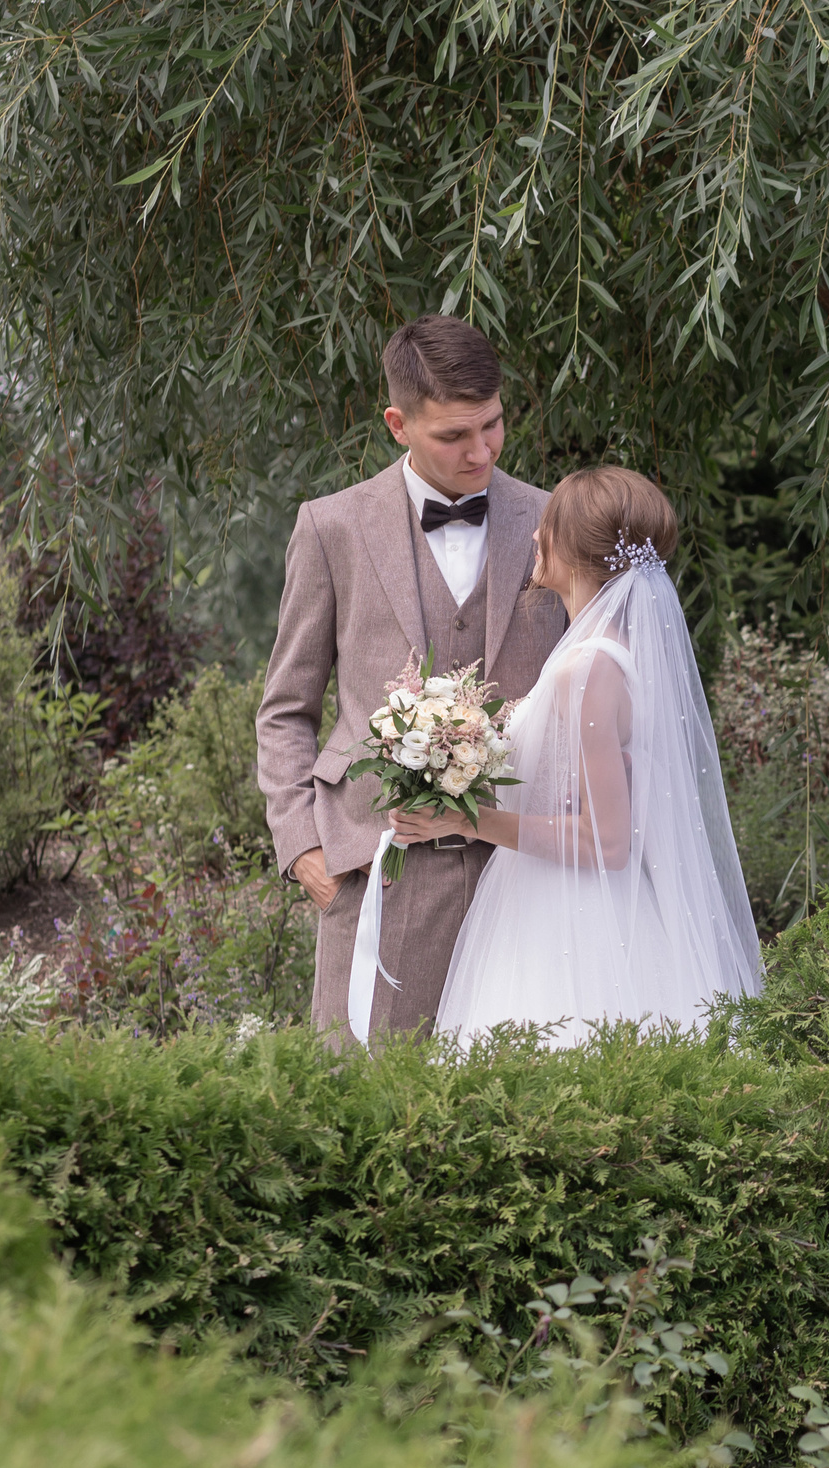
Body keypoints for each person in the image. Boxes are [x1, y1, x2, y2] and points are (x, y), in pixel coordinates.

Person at [255, 315, 567, 1043]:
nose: (480, 450)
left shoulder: (553, 519)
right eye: (453, 436)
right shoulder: (331, 528)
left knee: (519, 1105)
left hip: (521, 875)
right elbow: (285, 709)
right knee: (357, 1111)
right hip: (374, 871)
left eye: (491, 425)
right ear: (398, 423)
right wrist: (302, 845)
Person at [388, 465, 763, 1046]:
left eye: (545, 526)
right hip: (580, 907)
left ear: (573, 547)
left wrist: (467, 820)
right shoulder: (615, 653)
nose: (535, 538)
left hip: (570, 924)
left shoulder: (587, 667)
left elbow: (606, 843)